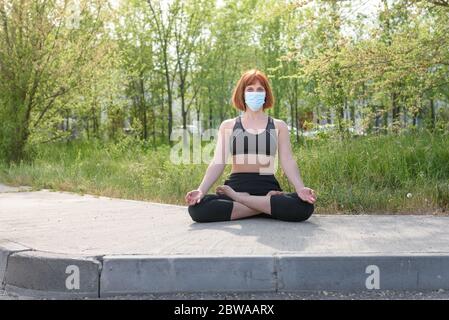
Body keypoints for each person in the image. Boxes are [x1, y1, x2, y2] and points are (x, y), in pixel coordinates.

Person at [185, 69, 316, 222]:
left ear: (266, 94)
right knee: (197, 209)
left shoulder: (278, 126)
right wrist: (201, 191)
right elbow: (218, 162)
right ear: (243, 93)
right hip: (238, 186)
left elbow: (287, 161)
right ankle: (264, 207)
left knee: (305, 206)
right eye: (250, 89)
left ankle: (243, 201)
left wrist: (300, 188)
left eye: (260, 89)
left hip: (267, 188)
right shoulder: (229, 125)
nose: (255, 93)